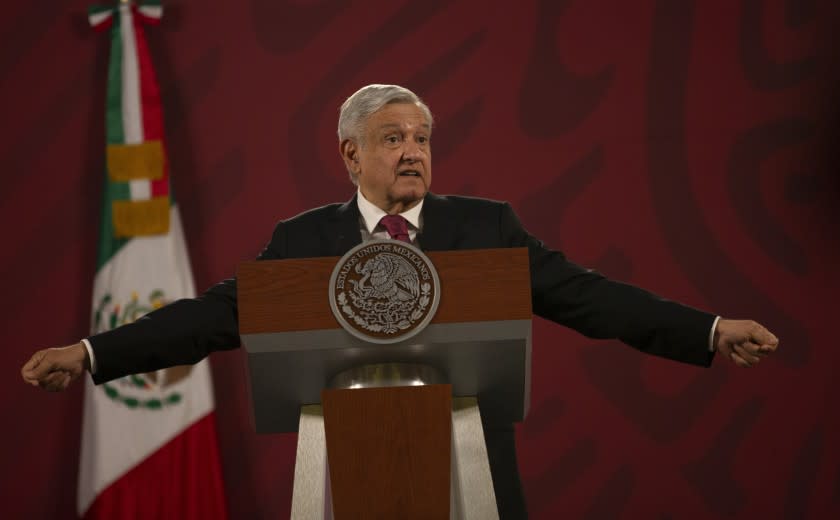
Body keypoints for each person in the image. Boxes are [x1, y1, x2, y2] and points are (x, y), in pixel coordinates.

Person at [21, 84, 779, 519]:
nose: (412, 150)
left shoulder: (485, 226)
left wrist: (707, 331)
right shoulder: (304, 240)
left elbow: (588, 297)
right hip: (347, 468)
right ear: (350, 154)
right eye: (391, 139)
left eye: (421, 137)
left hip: (470, 468)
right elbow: (218, 315)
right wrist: (93, 353)